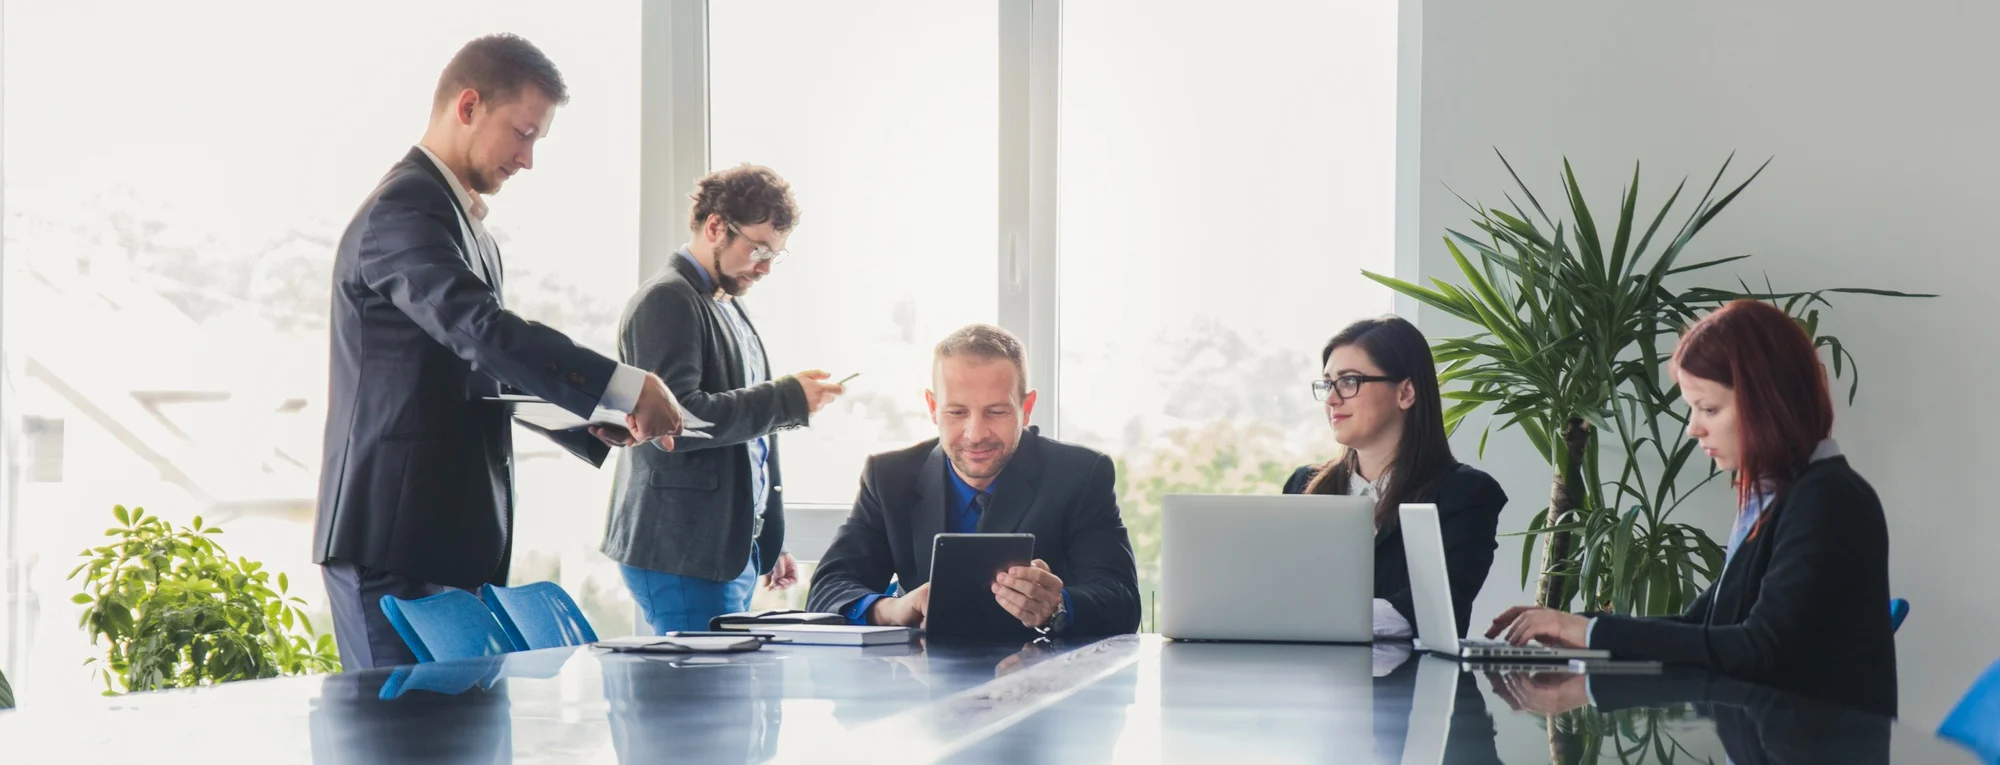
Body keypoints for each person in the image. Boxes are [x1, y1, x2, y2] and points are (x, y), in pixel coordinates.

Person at [313, 34, 685, 670]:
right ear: (468, 106)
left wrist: (582, 417)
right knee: (399, 743)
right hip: (393, 544)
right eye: (523, 133)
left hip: (445, 539)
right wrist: (624, 386)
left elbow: (473, 366)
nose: (528, 158)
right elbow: (481, 331)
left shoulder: (466, 227)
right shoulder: (402, 210)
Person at [1487, 299, 1895, 716]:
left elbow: (1760, 648)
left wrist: (1591, 633)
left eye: (1709, 409)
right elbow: (1703, 627)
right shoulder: (1777, 498)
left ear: (1769, 403)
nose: (1693, 428)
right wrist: (1580, 630)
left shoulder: (1827, 501)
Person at [598, 164, 845, 634]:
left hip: (720, 551)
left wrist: (761, 538)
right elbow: (677, 421)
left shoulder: (725, 299)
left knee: (716, 703)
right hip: (685, 554)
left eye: (776, 254)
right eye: (758, 249)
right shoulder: (667, 300)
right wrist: (788, 399)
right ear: (715, 227)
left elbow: (746, 444)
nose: (766, 266)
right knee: (695, 705)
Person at [806, 324, 1140, 636]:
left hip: (1043, 682)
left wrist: (1058, 606)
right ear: (932, 407)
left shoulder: (1081, 475)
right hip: (922, 686)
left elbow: (1122, 601)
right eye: (956, 412)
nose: (975, 434)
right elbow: (827, 592)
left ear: (1027, 407)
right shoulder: (889, 477)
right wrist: (892, 609)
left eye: (996, 412)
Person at [1283, 315, 1507, 639]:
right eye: (1327, 383)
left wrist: (1311, 616)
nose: (1332, 399)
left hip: (1412, 685)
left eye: (1349, 381)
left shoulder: (1466, 494)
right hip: (1308, 682)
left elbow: (1430, 611)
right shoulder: (1303, 486)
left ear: (1405, 392)